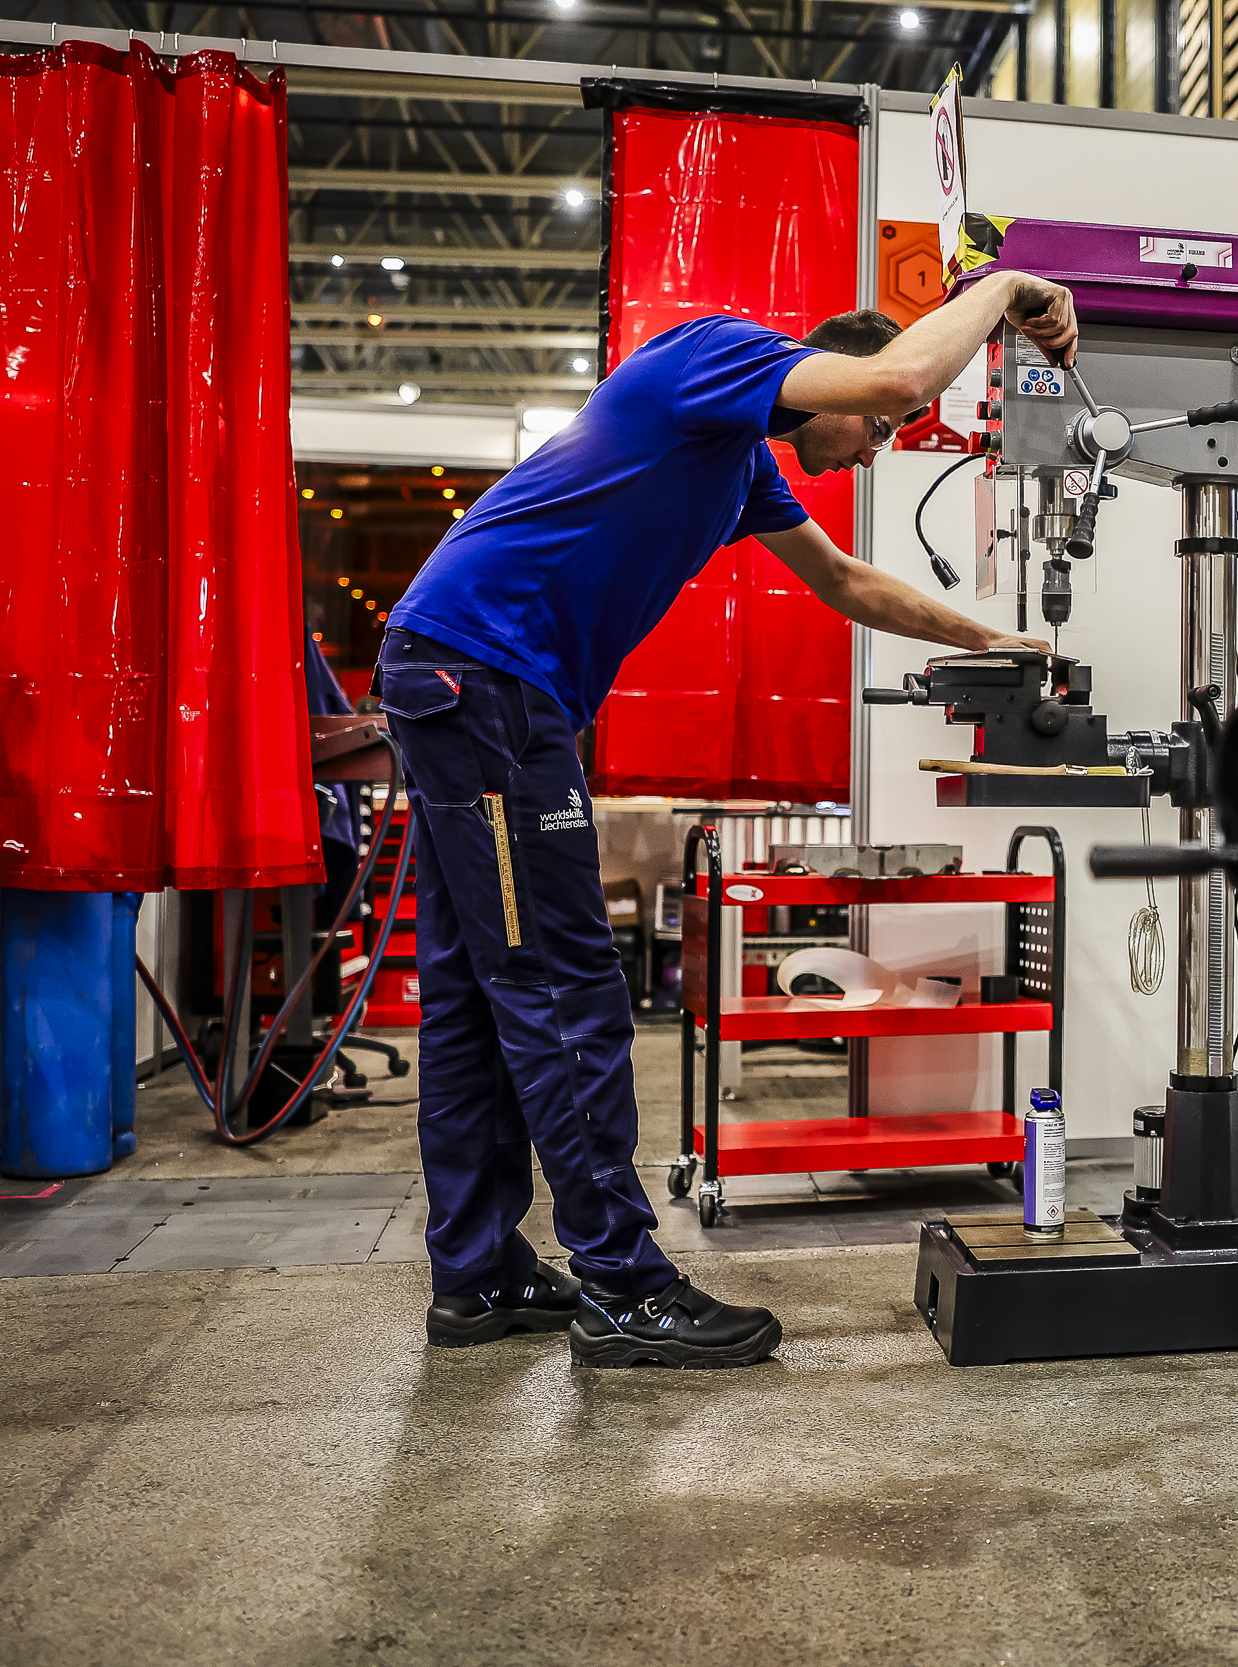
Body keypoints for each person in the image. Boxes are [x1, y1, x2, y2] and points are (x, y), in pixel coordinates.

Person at [376, 274, 1078, 1368]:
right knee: (566, 985)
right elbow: (902, 366)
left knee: (477, 989)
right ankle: (622, 1285)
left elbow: (845, 581)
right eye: (882, 426)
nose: (882, 440)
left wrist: (994, 643)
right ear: (832, 378)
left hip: (478, 679)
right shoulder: (719, 358)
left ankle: (477, 1274)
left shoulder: (740, 459)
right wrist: (1001, 291)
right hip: (486, 678)